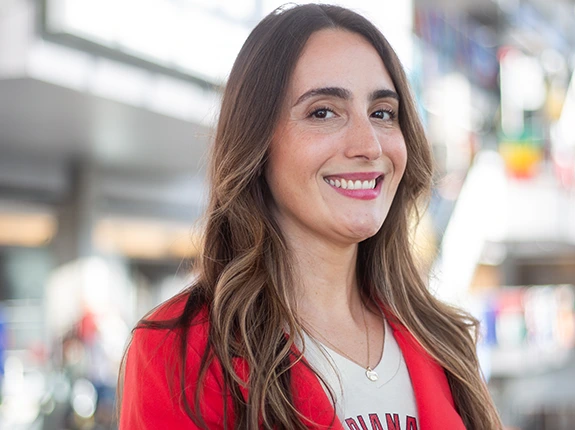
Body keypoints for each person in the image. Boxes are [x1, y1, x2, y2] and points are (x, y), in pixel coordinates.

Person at [118, 4, 503, 429]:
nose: (369, 146)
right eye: (323, 112)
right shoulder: (179, 352)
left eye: (382, 113)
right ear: (257, 142)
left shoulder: (444, 340)